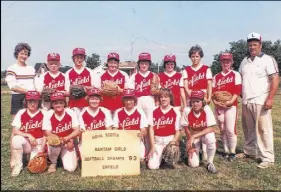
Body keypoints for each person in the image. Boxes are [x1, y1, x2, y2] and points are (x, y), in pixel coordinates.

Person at [238, 32, 279, 169]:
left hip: (261, 99)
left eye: (255, 44)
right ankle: (250, 152)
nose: (252, 47)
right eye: (250, 44)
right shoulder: (244, 61)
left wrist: (270, 98)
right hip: (246, 100)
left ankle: (267, 157)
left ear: (260, 45)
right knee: (248, 128)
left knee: (263, 129)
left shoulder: (268, 59)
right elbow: (240, 79)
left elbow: (275, 79)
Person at [5, 42, 36, 169]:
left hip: (32, 98)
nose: (24, 55)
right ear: (17, 53)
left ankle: (28, 155)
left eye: (26, 53)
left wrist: (33, 94)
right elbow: (12, 86)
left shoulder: (31, 68)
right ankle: (14, 158)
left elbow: (35, 82)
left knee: (30, 125)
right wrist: (27, 92)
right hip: (18, 98)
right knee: (16, 128)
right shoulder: (11, 68)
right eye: (22, 53)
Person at [182, 45, 213, 161]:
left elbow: (209, 84)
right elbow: (185, 85)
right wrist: (191, 94)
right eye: (193, 56)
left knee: (203, 120)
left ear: (201, 57)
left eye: (197, 56)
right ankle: (193, 144)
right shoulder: (187, 70)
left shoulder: (206, 68)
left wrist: (209, 96)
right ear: (190, 57)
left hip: (203, 96)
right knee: (192, 121)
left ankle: (204, 149)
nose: (195, 58)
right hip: (192, 96)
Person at [212, 53, 242, 161]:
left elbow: (237, 90)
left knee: (230, 129)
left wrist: (231, 101)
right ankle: (225, 151)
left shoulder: (236, 74)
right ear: (220, 63)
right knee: (222, 129)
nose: (226, 63)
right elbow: (213, 93)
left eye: (228, 61)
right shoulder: (216, 77)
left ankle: (232, 152)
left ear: (231, 62)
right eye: (223, 61)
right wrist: (215, 102)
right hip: (219, 106)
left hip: (231, 105)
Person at [42, 92, 81, 173]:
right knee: (54, 141)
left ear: (64, 103)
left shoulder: (70, 112)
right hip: (55, 143)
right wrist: (61, 140)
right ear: (52, 104)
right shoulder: (48, 114)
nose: (58, 105)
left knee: (71, 168)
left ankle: (60, 157)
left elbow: (77, 130)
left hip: (68, 142)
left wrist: (67, 139)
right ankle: (53, 162)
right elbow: (47, 132)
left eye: (61, 102)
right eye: (55, 103)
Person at [10, 91, 46, 177]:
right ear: (26, 102)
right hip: (26, 143)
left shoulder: (44, 112)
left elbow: (46, 133)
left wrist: (42, 149)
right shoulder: (21, 112)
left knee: (35, 167)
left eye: (35, 101)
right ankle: (18, 165)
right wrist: (28, 135)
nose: (32, 104)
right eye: (30, 101)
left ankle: (27, 157)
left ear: (39, 102)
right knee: (16, 139)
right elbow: (15, 131)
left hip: (38, 144)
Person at [129, 52, 160, 153]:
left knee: (150, 124)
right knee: (139, 124)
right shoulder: (134, 76)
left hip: (150, 99)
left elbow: (158, 91)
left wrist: (157, 102)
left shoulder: (153, 76)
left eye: (146, 63)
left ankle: (150, 148)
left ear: (149, 64)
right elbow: (130, 90)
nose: (144, 65)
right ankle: (141, 150)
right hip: (137, 100)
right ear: (139, 64)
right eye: (142, 63)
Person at [181, 90, 217, 174]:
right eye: (193, 101)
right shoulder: (187, 110)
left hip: (204, 134)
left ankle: (210, 162)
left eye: (198, 101)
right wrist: (191, 143)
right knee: (194, 164)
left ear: (202, 101)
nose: (195, 104)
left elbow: (211, 128)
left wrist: (194, 136)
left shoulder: (206, 108)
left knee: (211, 138)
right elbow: (186, 129)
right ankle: (196, 152)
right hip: (193, 136)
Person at [147, 88, 182, 169]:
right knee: (152, 166)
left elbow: (178, 131)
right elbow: (151, 129)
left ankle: (168, 157)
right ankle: (160, 157)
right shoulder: (153, 110)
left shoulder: (176, 111)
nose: (163, 99)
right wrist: (152, 146)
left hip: (169, 141)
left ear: (170, 98)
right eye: (161, 97)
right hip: (157, 141)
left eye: (166, 97)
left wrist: (174, 142)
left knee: (169, 164)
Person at [113, 89, 148, 166]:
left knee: (140, 160)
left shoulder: (140, 111)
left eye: (131, 99)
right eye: (126, 100)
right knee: (121, 161)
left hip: (136, 141)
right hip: (122, 141)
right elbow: (115, 129)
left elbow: (144, 131)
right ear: (123, 101)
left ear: (134, 100)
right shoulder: (118, 112)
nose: (128, 102)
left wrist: (142, 134)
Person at [65, 48, 95, 117]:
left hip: (87, 105)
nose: (79, 59)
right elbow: (67, 91)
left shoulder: (90, 71)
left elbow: (94, 87)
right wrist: (81, 89)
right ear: (73, 59)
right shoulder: (68, 73)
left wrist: (82, 88)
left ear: (84, 58)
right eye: (77, 57)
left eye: (81, 57)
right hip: (73, 105)